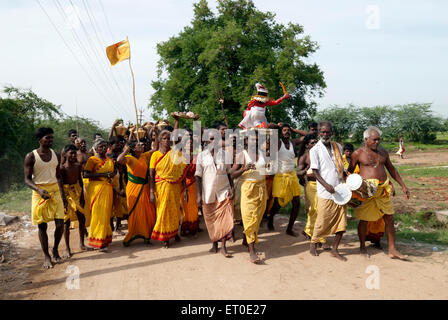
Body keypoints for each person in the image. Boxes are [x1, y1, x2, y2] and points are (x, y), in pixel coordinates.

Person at [349, 127, 410, 260]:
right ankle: (362, 247)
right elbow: (349, 173)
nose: (377, 142)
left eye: (379, 139)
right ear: (366, 139)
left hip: (382, 190)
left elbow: (392, 169)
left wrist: (403, 186)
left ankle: (392, 249)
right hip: (367, 192)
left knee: (389, 218)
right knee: (364, 220)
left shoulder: (383, 152)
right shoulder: (357, 153)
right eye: (374, 140)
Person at [24, 127, 68, 269]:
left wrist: (63, 195)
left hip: (55, 191)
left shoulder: (56, 154)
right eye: (47, 138)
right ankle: (46, 256)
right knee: (42, 226)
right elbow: (27, 179)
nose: (50, 140)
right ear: (39, 139)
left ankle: (55, 248)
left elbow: (59, 176)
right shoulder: (31, 156)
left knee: (60, 224)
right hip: (39, 192)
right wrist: (38, 189)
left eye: (52, 138)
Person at [309, 121, 347, 261]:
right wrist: (326, 185)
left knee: (342, 222)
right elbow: (315, 171)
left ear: (332, 132)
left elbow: (341, 167)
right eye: (323, 132)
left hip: (340, 190)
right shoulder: (315, 150)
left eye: (328, 132)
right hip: (325, 191)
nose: (325, 134)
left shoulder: (338, 147)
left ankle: (334, 249)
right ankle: (314, 243)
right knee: (322, 220)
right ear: (319, 133)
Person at [196, 129, 234, 257]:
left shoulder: (225, 155)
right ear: (207, 141)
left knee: (224, 220)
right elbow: (198, 177)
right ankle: (214, 244)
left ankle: (223, 246)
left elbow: (229, 174)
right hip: (208, 192)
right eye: (212, 139)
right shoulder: (201, 156)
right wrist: (198, 196)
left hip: (224, 191)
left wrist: (232, 188)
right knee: (211, 221)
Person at [231, 131, 267, 263]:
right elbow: (231, 174)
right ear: (246, 141)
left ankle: (246, 239)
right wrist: (243, 169)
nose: (255, 142)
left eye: (257, 140)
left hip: (262, 189)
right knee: (248, 218)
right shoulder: (241, 155)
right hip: (248, 190)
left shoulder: (262, 153)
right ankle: (252, 251)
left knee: (257, 218)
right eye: (252, 139)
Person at [117, 128, 157, 247]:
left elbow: (155, 149)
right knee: (135, 213)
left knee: (147, 212)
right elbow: (119, 160)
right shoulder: (130, 158)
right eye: (139, 145)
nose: (142, 146)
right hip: (133, 189)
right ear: (134, 149)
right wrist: (127, 149)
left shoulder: (144, 156)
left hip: (145, 188)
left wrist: (153, 133)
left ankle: (146, 236)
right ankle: (131, 235)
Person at [149, 128, 187, 248]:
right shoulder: (155, 155)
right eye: (164, 138)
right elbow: (151, 175)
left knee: (175, 210)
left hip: (175, 187)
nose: (166, 141)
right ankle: (165, 237)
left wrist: (185, 189)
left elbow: (182, 171)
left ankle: (174, 232)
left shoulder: (175, 154)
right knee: (163, 211)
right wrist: (151, 191)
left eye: (168, 139)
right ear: (159, 140)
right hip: (161, 186)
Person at [267, 124, 302, 236]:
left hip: (292, 176)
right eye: (284, 130)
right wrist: (277, 126)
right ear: (281, 133)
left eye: (288, 130)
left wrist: (293, 129)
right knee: (278, 204)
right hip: (280, 176)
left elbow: (308, 135)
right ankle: (270, 217)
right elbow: (269, 128)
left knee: (297, 203)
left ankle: (289, 228)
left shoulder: (293, 143)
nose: (287, 132)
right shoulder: (278, 143)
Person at [83, 139, 115, 251]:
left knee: (106, 214)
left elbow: (112, 172)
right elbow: (86, 174)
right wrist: (103, 174)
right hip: (97, 189)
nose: (102, 148)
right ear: (96, 149)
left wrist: (111, 174)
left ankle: (105, 238)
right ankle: (98, 241)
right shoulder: (92, 160)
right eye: (100, 147)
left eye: (104, 146)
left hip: (108, 188)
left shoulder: (109, 159)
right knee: (98, 214)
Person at [297, 134, 328, 247]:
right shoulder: (304, 157)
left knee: (319, 210)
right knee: (316, 209)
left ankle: (309, 231)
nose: (315, 144)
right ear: (307, 145)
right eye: (312, 142)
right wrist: (307, 169)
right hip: (312, 185)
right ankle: (320, 238)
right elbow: (298, 173)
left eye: (316, 142)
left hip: (324, 185)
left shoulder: (323, 155)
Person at [61, 144, 88, 256]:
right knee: (66, 222)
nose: (73, 155)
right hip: (66, 194)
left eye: (74, 153)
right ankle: (67, 248)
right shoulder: (62, 168)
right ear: (65, 154)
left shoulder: (77, 166)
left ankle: (81, 244)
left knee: (81, 218)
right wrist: (63, 199)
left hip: (76, 193)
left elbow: (80, 181)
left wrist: (82, 196)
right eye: (71, 153)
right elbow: (60, 184)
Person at [179, 129, 200, 237]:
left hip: (194, 184)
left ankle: (193, 228)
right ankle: (184, 227)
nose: (190, 145)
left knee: (193, 207)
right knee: (184, 208)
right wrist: (185, 189)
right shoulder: (181, 157)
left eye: (191, 143)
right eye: (188, 143)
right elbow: (181, 175)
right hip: (184, 186)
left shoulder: (196, 156)